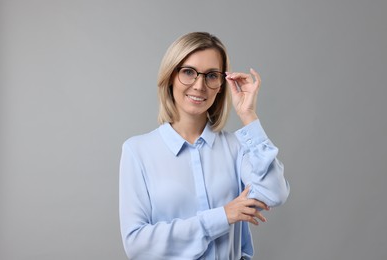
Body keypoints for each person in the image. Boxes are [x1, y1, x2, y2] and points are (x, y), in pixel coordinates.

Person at [119, 32, 290, 260]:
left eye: (211, 75)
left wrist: (248, 115)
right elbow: (137, 245)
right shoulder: (137, 151)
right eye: (188, 72)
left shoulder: (236, 147)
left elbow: (274, 193)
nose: (199, 85)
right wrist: (222, 216)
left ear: (220, 85)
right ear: (171, 76)